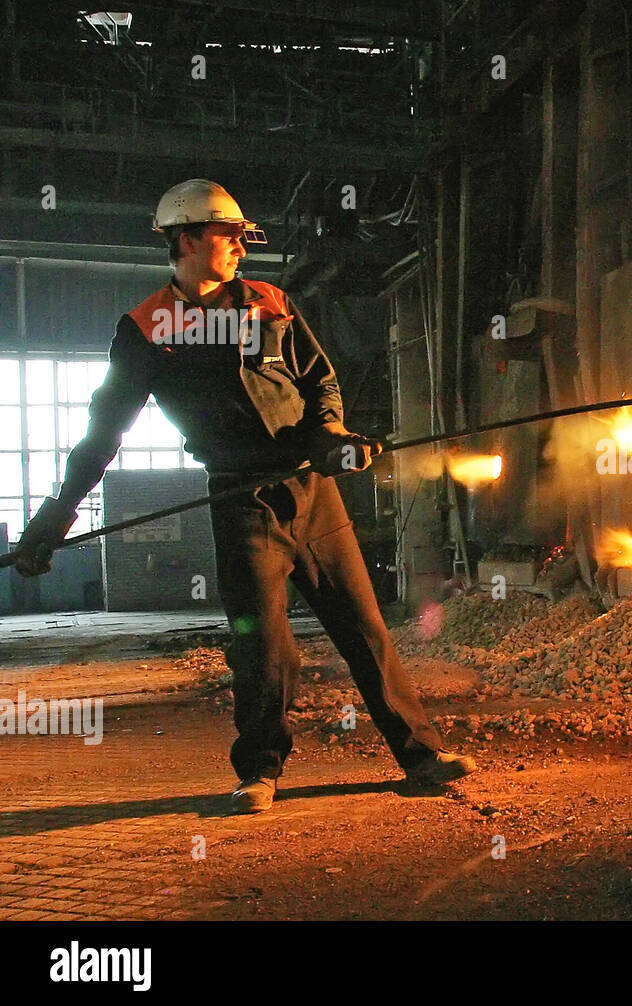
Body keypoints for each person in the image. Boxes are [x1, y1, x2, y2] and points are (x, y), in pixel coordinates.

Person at [13, 179, 476, 813]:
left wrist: (334, 437)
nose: (239, 246)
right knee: (261, 644)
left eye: (239, 236)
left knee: (364, 629)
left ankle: (421, 756)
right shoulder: (149, 329)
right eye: (226, 235)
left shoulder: (268, 301)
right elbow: (104, 431)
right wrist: (56, 514)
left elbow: (320, 383)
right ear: (185, 239)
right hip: (243, 500)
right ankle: (260, 771)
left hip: (312, 490)